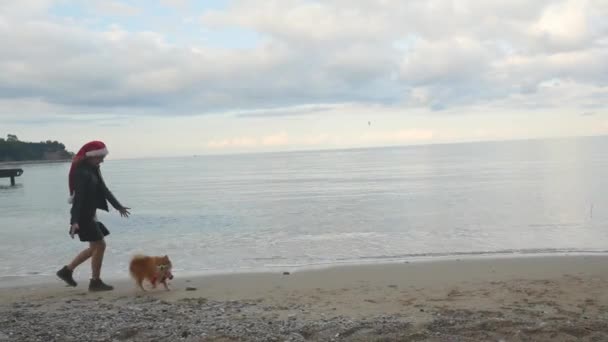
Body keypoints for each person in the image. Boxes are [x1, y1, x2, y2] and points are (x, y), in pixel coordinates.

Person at [56, 141, 130, 291]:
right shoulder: (80, 173)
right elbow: (78, 199)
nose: (102, 160)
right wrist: (74, 221)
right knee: (100, 245)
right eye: (100, 157)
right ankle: (95, 281)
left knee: (94, 247)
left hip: (91, 213)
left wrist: (118, 206)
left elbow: (103, 189)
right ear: (91, 156)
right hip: (83, 215)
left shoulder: (94, 169)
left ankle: (67, 271)